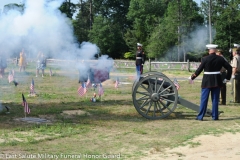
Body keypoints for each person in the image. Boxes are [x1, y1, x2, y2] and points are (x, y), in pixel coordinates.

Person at [190, 44, 232, 121]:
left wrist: (192, 77)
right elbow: (229, 67)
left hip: (207, 81)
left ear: (209, 51)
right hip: (217, 80)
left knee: (204, 100)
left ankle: (200, 117)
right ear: (215, 50)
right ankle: (215, 116)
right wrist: (227, 78)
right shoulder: (220, 59)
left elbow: (199, 70)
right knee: (215, 100)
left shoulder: (204, 59)